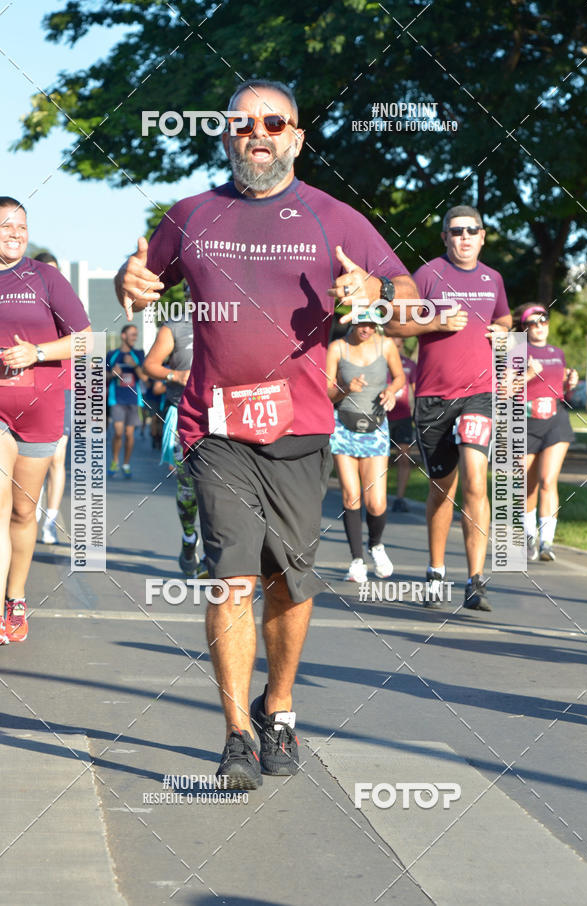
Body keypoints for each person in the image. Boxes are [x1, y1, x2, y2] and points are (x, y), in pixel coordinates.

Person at [115, 79, 418, 788]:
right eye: (243, 123)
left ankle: (277, 707)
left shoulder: (334, 218)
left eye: (274, 122)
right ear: (225, 135)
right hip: (215, 426)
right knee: (232, 577)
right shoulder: (190, 215)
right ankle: (237, 735)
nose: (258, 132)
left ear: (297, 138)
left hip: (302, 428)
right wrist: (131, 283)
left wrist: (376, 294)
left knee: (289, 581)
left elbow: (408, 300)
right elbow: (142, 281)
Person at [386, 205, 512, 611]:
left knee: (476, 479)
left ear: (483, 236)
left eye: (472, 230)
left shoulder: (493, 278)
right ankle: (436, 571)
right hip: (433, 398)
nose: (464, 237)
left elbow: (505, 319)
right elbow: (393, 324)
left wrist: (502, 331)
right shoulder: (427, 275)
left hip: (480, 394)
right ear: (445, 237)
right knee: (443, 488)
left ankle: (475, 580)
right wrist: (436, 323)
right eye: (456, 231)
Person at [0, 198, 90, 643]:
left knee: (22, 511)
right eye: (5, 226)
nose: (15, 233)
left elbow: (86, 340)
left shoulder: (45, 277)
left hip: (41, 409)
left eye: (21, 226)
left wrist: (35, 353)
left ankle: (15, 598)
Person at [326, 313, 405, 582]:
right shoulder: (338, 348)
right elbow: (326, 392)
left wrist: (391, 390)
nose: (367, 329)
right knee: (351, 496)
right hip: (344, 426)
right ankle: (357, 560)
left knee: (377, 502)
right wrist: (346, 388)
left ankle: (376, 545)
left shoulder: (386, 345)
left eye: (372, 324)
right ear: (353, 321)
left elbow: (399, 377)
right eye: (362, 323)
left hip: (376, 427)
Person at [143, 313, 206, 577]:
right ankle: (189, 538)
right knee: (188, 488)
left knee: (219, 489)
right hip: (184, 416)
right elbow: (150, 365)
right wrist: (175, 375)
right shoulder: (176, 325)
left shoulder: (232, 320)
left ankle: (212, 553)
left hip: (222, 417)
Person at [515, 304, 578, 562]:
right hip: (525, 422)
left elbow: (564, 392)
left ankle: (547, 543)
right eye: (533, 322)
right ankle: (530, 536)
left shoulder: (557, 352)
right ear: (524, 328)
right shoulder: (515, 352)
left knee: (548, 480)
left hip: (555, 420)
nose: (540, 326)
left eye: (544, 320)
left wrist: (571, 383)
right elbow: (504, 389)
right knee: (527, 485)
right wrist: (529, 374)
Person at [32, 252, 71, 545]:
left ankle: (50, 521)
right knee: (31, 459)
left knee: (57, 458)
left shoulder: (68, 305)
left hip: (63, 388)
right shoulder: (22, 304)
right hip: (28, 389)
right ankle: (30, 506)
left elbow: (84, 342)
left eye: (54, 272)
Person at [106, 324, 145, 478]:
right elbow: (103, 376)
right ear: (123, 336)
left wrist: (135, 366)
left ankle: (126, 464)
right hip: (117, 399)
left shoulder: (139, 354)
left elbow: (145, 377)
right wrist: (112, 374)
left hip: (133, 399)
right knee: (118, 432)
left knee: (129, 435)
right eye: (132, 334)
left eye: (136, 335)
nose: (135, 337)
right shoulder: (112, 354)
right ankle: (115, 461)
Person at [387, 337, 417, 513]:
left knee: (404, 458)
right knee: (380, 459)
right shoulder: (380, 361)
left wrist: (418, 414)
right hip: (382, 417)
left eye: (398, 335)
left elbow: (415, 390)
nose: (395, 337)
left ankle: (400, 498)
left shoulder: (410, 364)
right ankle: (377, 497)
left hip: (403, 416)